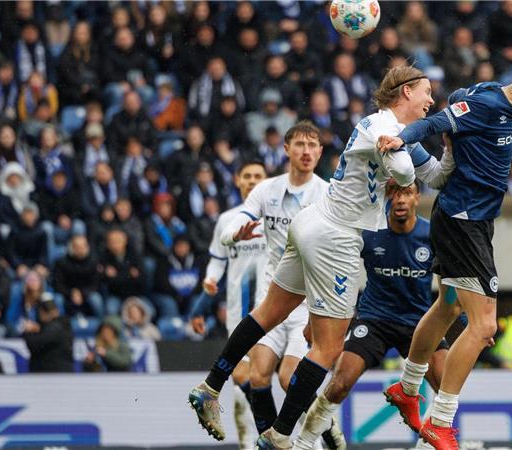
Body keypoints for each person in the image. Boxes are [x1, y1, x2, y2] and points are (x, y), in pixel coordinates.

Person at [189, 65, 456, 449]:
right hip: (336, 238)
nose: (431, 100)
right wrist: (398, 149)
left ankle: (210, 387)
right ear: (405, 92)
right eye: (426, 91)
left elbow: (434, 178)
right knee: (329, 348)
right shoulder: (380, 125)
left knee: (270, 312)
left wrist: (448, 148)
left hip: (313, 222)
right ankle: (280, 435)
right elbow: (401, 175)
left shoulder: (399, 134)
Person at [378, 55, 512, 449]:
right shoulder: (487, 105)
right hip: (464, 223)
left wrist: (456, 134)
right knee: (483, 328)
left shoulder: (487, 96)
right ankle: (441, 420)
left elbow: (460, 99)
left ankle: (408, 388)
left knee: (447, 309)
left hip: (469, 221)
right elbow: (437, 121)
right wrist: (403, 139)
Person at [294, 181, 462, 450]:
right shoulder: (369, 233)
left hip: (420, 324)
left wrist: (470, 323)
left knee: (447, 388)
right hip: (374, 321)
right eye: (394, 193)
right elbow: (334, 269)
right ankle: (303, 444)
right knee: (339, 384)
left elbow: (453, 285)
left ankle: (425, 445)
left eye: (406, 193)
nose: (400, 200)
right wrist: (316, 316)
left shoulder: (432, 235)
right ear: (386, 197)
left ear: (417, 197)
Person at [214, 122, 344, 448]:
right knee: (257, 377)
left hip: (307, 305)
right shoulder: (266, 190)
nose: (306, 151)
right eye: (299, 144)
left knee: (288, 379)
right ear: (286, 149)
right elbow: (240, 216)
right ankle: (269, 441)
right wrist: (234, 235)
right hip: (272, 298)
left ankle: (324, 427)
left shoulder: (327, 194)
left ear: (320, 151)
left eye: (313, 145)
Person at [189, 160, 268, 449]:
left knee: (283, 377)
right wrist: (203, 300)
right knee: (244, 379)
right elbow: (216, 263)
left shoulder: (277, 217)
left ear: (266, 180)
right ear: (237, 181)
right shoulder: (228, 220)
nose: (252, 180)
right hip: (239, 313)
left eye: (257, 176)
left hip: (277, 312)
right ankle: (261, 436)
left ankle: (312, 432)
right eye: (246, 175)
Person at [23, 293, 74, 373]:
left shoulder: (56, 328)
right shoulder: (63, 326)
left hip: (52, 376)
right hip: (56, 375)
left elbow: (35, 344)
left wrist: (28, 332)